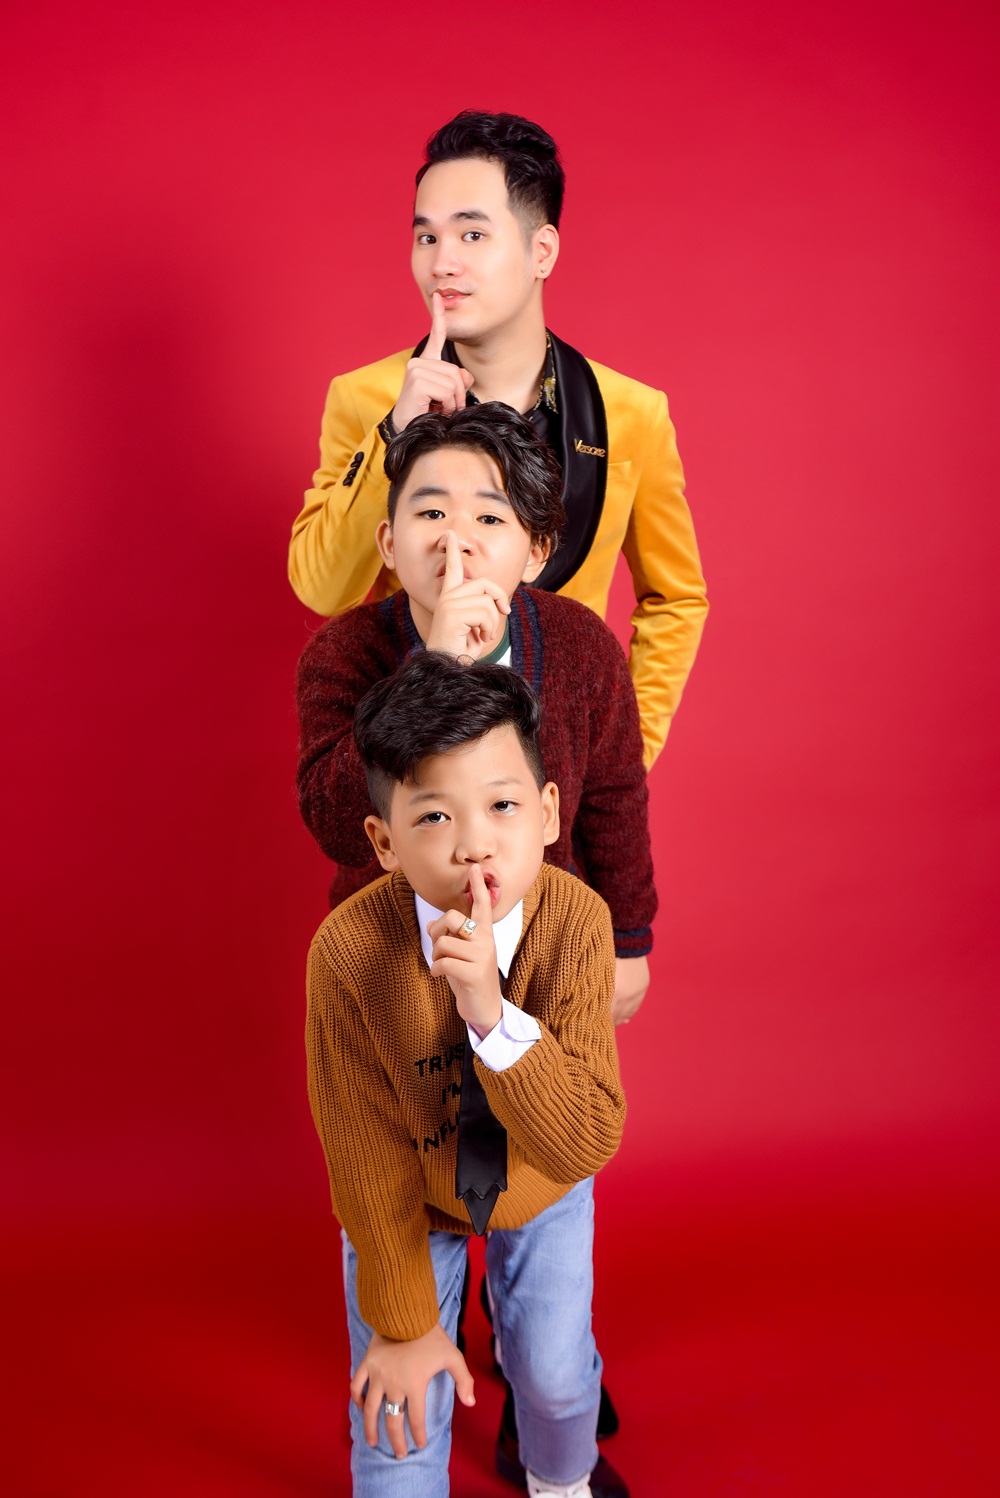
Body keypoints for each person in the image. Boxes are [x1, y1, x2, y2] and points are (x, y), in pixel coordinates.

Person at [289, 109, 707, 771]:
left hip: (560, 768)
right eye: (426, 237)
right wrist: (395, 430)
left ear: (542, 251)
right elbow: (322, 588)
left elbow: (675, 598)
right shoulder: (365, 397)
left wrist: (621, 751)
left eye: (472, 234)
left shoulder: (633, 413)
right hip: (413, 757)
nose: (442, 262)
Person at [306, 651, 627, 1498]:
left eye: (503, 805)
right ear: (384, 842)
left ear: (548, 813)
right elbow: (364, 1157)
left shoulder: (577, 923)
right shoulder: (348, 954)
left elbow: (585, 1140)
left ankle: (561, 1479)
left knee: (555, 1376)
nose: (476, 842)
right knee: (400, 1413)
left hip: (543, 1179)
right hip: (410, 1200)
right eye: (435, 817)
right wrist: (405, 1325)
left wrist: (489, 1013)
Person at [296, 404, 657, 1025]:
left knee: (544, 1081)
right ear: (389, 543)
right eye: (430, 513)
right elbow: (337, 825)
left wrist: (628, 940)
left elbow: (614, 795)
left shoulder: (579, 642)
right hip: (392, 952)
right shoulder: (344, 653)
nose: (454, 539)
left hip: (545, 946)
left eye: (489, 517)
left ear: (536, 551)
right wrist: (434, 667)